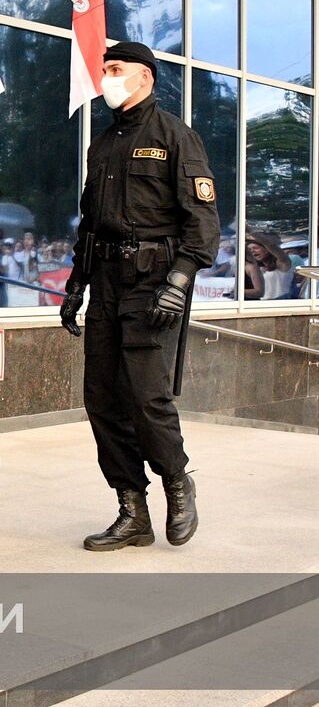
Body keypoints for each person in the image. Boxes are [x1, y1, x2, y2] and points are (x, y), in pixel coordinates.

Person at [60, 41, 220, 551]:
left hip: (153, 283)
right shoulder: (103, 144)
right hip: (105, 282)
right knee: (102, 401)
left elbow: (203, 223)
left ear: (145, 77)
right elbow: (90, 224)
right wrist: (75, 286)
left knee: (147, 399)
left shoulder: (176, 136)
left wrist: (179, 281)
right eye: (105, 68)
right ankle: (131, 509)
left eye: (116, 68)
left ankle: (178, 482)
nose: (106, 77)